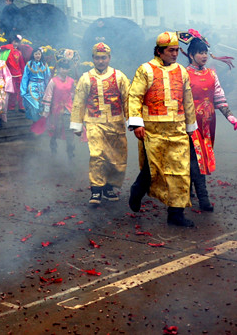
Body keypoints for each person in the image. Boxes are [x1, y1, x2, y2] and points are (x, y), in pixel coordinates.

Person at [127, 31, 198, 227]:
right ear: (159, 51)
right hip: (153, 129)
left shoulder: (182, 71)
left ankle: (176, 213)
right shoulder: (145, 70)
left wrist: (191, 126)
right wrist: (137, 123)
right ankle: (138, 189)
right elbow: (135, 96)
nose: (175, 54)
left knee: (181, 171)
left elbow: (188, 99)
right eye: (171, 50)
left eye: (177, 50)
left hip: (177, 129)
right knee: (154, 168)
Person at [70, 42, 131, 206]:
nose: (100, 61)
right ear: (93, 59)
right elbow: (79, 101)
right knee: (97, 155)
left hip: (116, 123)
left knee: (116, 157)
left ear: (109, 58)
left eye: (103, 58)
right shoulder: (86, 78)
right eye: (97, 58)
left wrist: (132, 119)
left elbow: (128, 99)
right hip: (94, 123)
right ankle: (96, 189)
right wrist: (76, 123)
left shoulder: (119, 76)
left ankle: (109, 186)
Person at [184, 36, 237, 212]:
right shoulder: (183, 74)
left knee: (197, 159)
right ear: (191, 55)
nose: (204, 56)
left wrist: (229, 116)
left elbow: (219, 97)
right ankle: (203, 198)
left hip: (208, 123)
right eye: (200, 53)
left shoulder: (212, 74)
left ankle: (188, 190)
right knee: (195, 159)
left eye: (206, 52)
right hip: (189, 125)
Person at [41, 58, 76, 158]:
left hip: (68, 110)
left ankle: (71, 154)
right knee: (56, 130)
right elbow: (48, 95)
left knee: (69, 133)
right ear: (59, 69)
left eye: (66, 68)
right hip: (56, 111)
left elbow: (73, 94)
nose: (64, 70)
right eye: (62, 68)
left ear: (69, 70)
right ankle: (53, 147)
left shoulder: (71, 81)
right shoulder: (53, 81)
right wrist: (46, 110)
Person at [20, 48, 51, 122]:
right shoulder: (29, 64)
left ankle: (39, 123)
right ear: (33, 55)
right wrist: (23, 90)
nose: (37, 55)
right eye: (36, 54)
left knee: (41, 105)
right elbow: (25, 78)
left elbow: (47, 77)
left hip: (42, 86)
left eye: (39, 54)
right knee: (35, 105)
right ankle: (35, 120)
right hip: (33, 86)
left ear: (41, 55)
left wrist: (48, 89)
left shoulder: (44, 65)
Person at [2, 35, 27, 111]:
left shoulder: (19, 52)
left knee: (20, 91)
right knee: (12, 91)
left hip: (19, 74)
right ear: (11, 41)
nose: (16, 44)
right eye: (15, 42)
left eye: (17, 42)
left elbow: (22, 64)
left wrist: (24, 74)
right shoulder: (6, 50)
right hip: (10, 74)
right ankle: (11, 106)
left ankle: (21, 106)